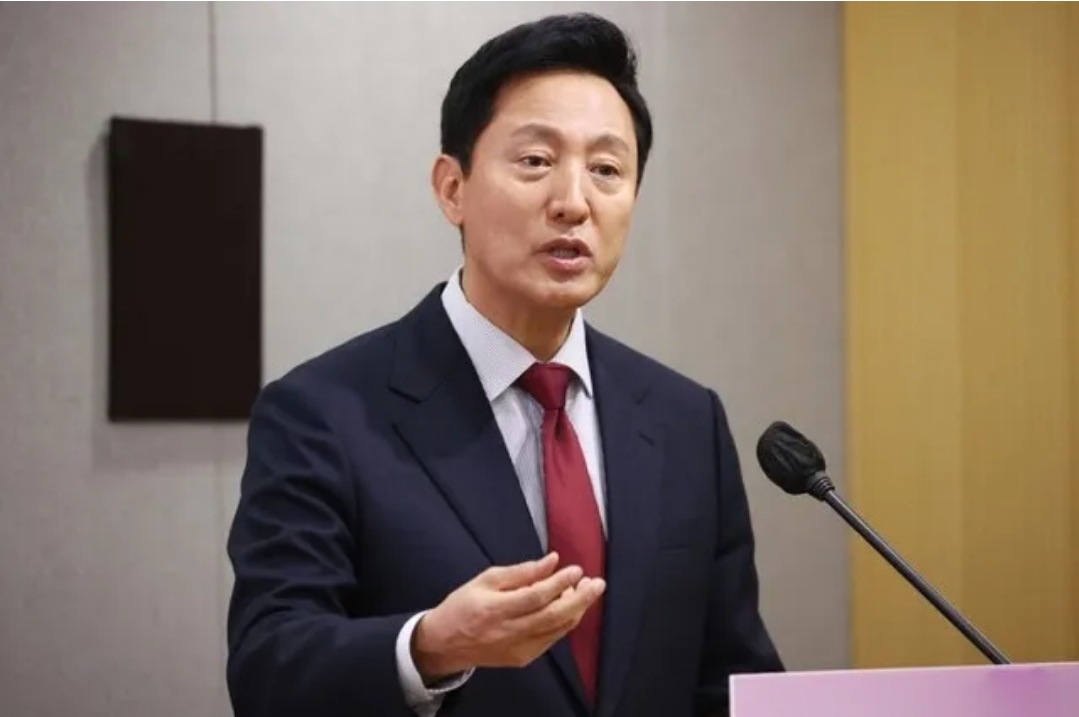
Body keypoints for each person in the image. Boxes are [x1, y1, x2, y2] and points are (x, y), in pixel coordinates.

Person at [226, 12, 784, 717]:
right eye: (536, 161)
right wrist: (429, 646)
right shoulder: (322, 413)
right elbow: (268, 669)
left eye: (606, 170)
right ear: (451, 188)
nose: (573, 202)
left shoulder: (685, 420)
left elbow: (729, 677)